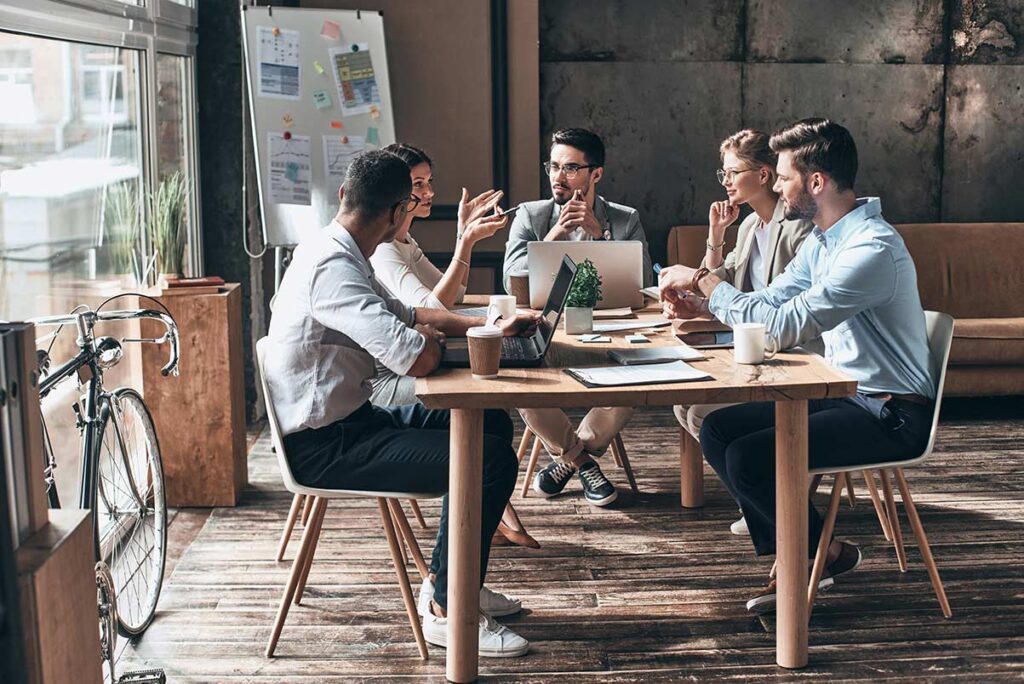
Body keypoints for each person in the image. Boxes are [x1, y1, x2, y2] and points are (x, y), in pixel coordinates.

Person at [264, 150, 538, 656]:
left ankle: (453, 583)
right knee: (490, 459)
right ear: (396, 212)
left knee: (492, 424)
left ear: (345, 195)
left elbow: (412, 313)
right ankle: (447, 610)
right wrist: (437, 343)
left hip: (353, 421)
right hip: (326, 447)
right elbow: (415, 357)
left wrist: (492, 326)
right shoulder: (333, 267)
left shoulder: (341, 248)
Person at [659, 118, 935, 613]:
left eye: (784, 176)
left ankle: (802, 562)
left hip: (890, 413)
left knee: (749, 458)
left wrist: (702, 281)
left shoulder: (870, 248)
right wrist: (703, 306)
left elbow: (786, 325)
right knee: (720, 430)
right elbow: (768, 301)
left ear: (816, 182)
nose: (779, 186)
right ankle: (818, 553)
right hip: (842, 393)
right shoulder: (822, 240)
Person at [369, 142, 540, 550]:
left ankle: (487, 515)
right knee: (481, 400)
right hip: (384, 382)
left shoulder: (405, 242)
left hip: (409, 362)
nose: (428, 193)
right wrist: (464, 241)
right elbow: (430, 306)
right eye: (417, 184)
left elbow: (453, 291)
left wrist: (465, 240)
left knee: (491, 407)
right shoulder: (383, 249)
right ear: (396, 192)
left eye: (429, 182)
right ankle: (485, 520)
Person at [670, 129, 815, 536]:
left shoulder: (799, 229)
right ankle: (757, 500)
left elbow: (774, 301)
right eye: (724, 173)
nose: (726, 181)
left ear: (765, 175)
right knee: (684, 406)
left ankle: (764, 502)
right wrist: (715, 238)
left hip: (788, 351)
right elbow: (723, 279)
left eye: (733, 172)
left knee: (701, 411)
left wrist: (703, 288)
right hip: (749, 342)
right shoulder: (752, 224)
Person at [501, 127, 650, 507]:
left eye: (570, 168)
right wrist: (553, 236)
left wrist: (600, 235)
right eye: (553, 166)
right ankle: (582, 463)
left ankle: (567, 462)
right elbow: (510, 279)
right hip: (546, 329)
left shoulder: (624, 218)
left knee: (634, 384)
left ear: (595, 174)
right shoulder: (531, 216)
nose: (557, 176)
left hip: (609, 329)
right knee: (522, 385)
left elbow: (643, 282)